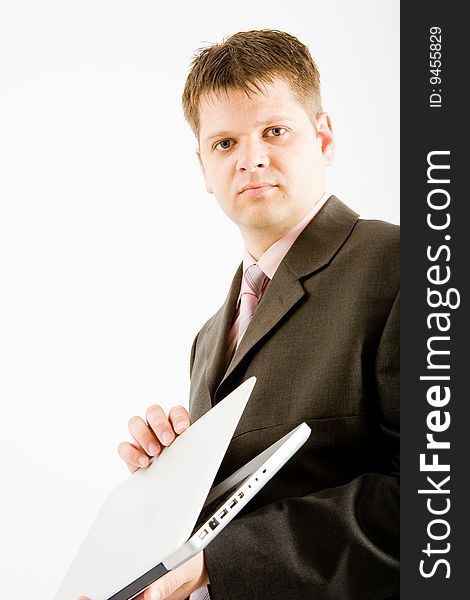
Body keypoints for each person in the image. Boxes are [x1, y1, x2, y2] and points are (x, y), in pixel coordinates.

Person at [80, 29, 399, 600]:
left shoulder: (407, 268)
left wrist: (215, 564)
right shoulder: (208, 340)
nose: (251, 158)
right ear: (203, 167)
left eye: (274, 131)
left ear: (323, 139)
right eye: (224, 143)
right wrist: (167, 490)